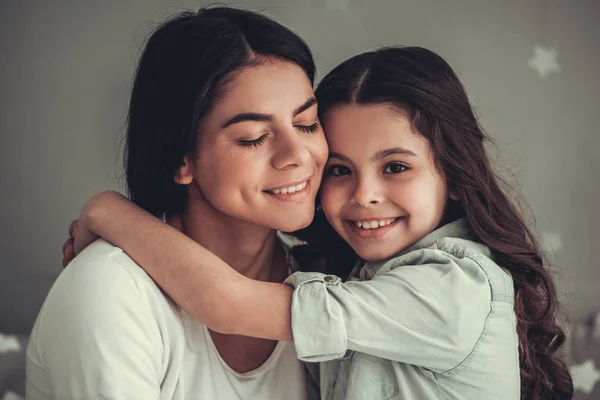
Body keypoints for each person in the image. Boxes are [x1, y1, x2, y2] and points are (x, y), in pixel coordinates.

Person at [65, 46, 574, 399]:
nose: (364, 195)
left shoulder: (454, 286)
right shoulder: (360, 278)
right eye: (339, 170)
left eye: (396, 167)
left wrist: (109, 210)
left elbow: (226, 303)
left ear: (457, 176)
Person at [26, 6, 329, 399]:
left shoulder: (330, 282)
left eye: (307, 124)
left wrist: (105, 208)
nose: (297, 154)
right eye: (253, 136)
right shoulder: (112, 292)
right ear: (180, 158)